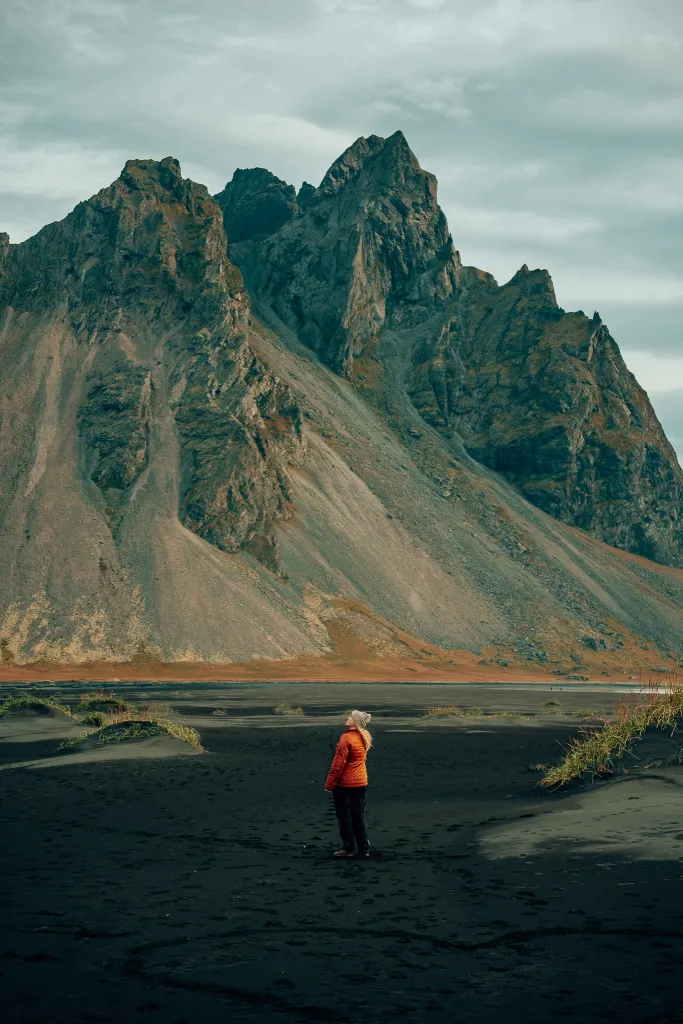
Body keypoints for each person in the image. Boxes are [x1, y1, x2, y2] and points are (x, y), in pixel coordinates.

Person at [324, 709, 372, 858]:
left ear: (356, 721)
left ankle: (348, 847)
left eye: (351, 717)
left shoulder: (347, 738)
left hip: (345, 783)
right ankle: (364, 849)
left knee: (344, 816)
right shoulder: (364, 736)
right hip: (361, 782)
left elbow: (338, 764)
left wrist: (329, 784)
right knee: (358, 816)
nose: (348, 718)